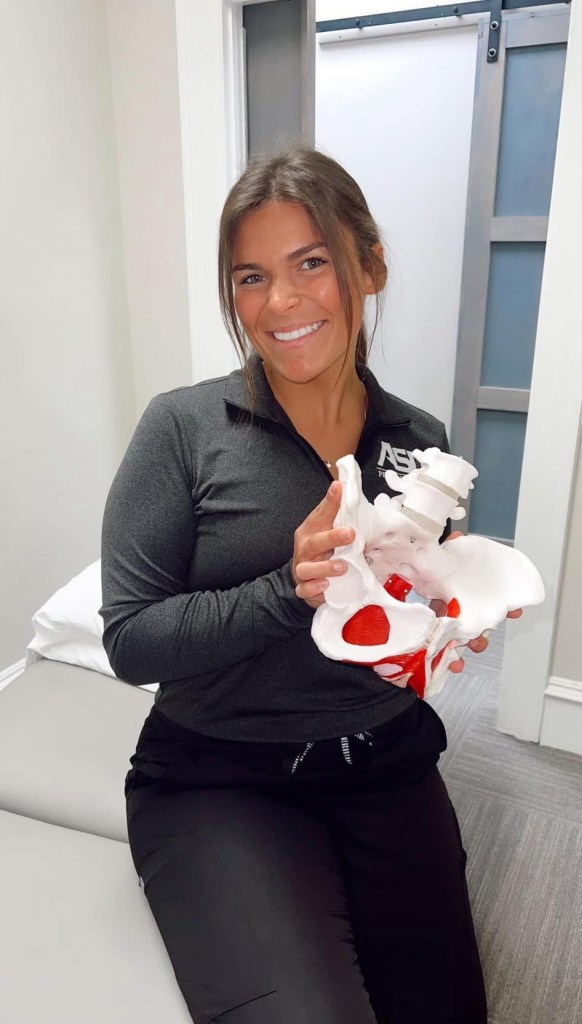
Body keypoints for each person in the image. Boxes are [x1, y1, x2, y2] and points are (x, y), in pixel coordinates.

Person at [101, 146, 511, 1024]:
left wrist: (445, 616)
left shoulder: (417, 441)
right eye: (251, 277)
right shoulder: (183, 428)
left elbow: (410, 608)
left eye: (311, 263)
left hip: (384, 760)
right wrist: (289, 589)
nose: (279, 302)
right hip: (217, 775)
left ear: (371, 267)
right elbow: (130, 641)